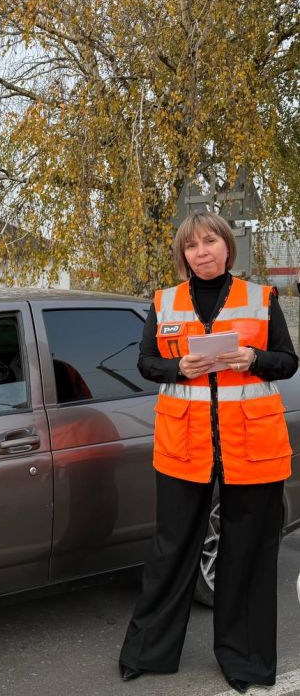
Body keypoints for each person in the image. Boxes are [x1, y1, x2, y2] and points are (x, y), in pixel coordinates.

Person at [118, 211, 297, 694]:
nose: (203, 252)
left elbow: (287, 360)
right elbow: (146, 364)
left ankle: (245, 662)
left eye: (211, 241)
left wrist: (253, 359)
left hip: (252, 447)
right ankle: (147, 653)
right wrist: (180, 367)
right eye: (193, 245)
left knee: (248, 555)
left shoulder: (261, 298)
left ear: (227, 245)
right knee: (170, 551)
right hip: (184, 447)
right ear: (184, 255)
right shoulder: (165, 301)